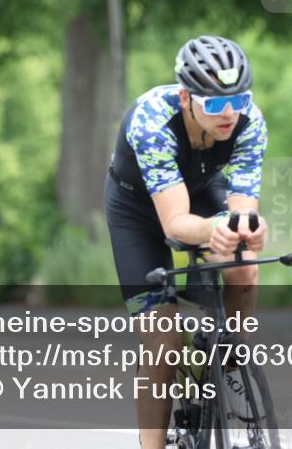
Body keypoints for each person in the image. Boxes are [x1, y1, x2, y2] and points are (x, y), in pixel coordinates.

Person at [104, 35, 269, 449]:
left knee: (245, 266)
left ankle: (228, 368)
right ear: (185, 99)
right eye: (214, 104)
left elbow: (242, 210)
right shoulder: (152, 121)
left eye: (238, 100)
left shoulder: (250, 121)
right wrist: (215, 230)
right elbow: (175, 223)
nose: (229, 113)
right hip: (138, 213)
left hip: (200, 189)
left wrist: (248, 227)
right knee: (164, 343)